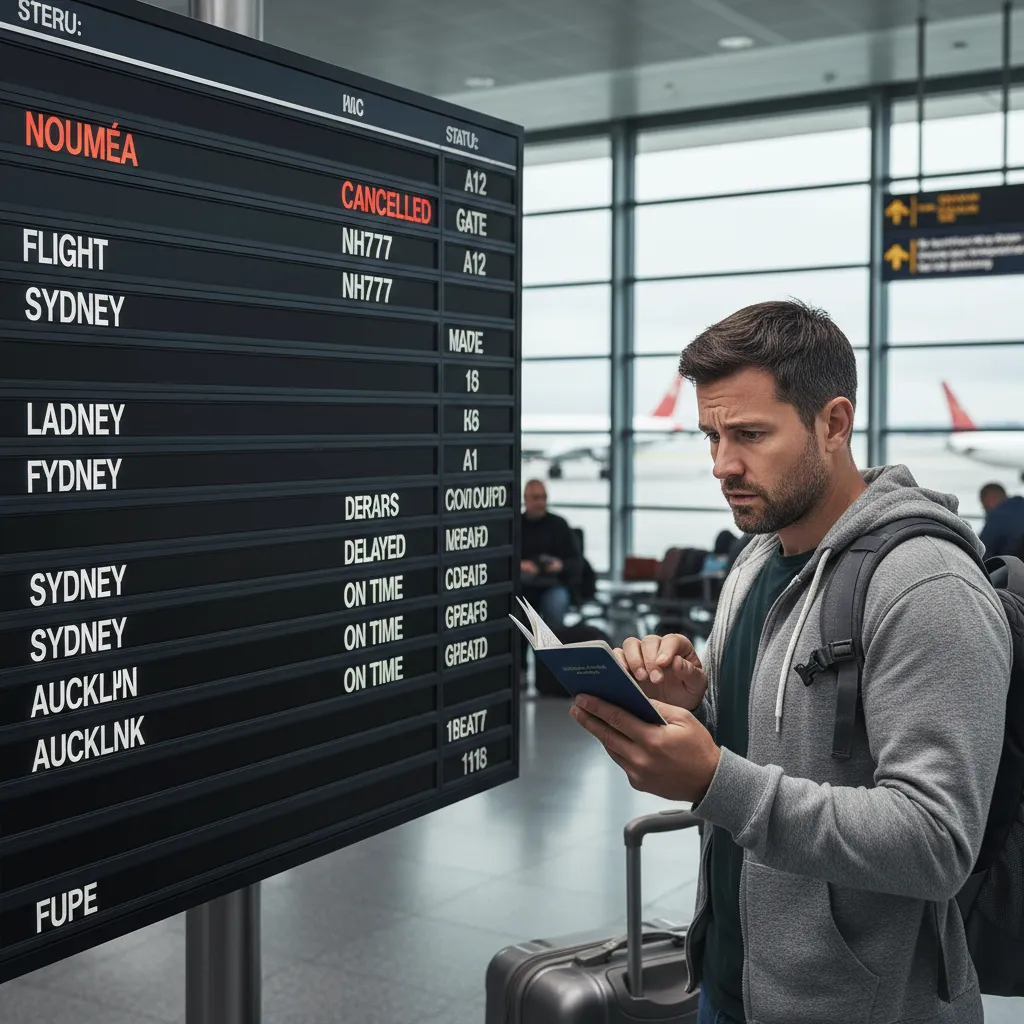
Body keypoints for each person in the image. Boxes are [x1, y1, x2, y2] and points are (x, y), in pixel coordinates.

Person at [568, 300, 1012, 1024]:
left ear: (833, 424)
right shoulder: (758, 559)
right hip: (728, 975)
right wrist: (693, 702)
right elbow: (769, 744)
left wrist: (715, 780)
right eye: (711, 434)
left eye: (748, 434)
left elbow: (937, 839)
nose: (721, 465)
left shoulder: (926, 585)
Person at [519, 478, 582, 628]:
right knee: (516, 612)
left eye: (543, 497)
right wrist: (520, 565)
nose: (540, 502)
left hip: (554, 583)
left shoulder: (559, 525)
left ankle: (551, 650)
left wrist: (560, 565)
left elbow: (576, 562)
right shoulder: (516, 525)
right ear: (525, 499)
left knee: (554, 606)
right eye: (535, 498)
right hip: (524, 585)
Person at [978, 481, 1024, 557]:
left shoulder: (995, 516)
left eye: (985, 506)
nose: (985, 510)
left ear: (990, 498)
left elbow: (981, 551)